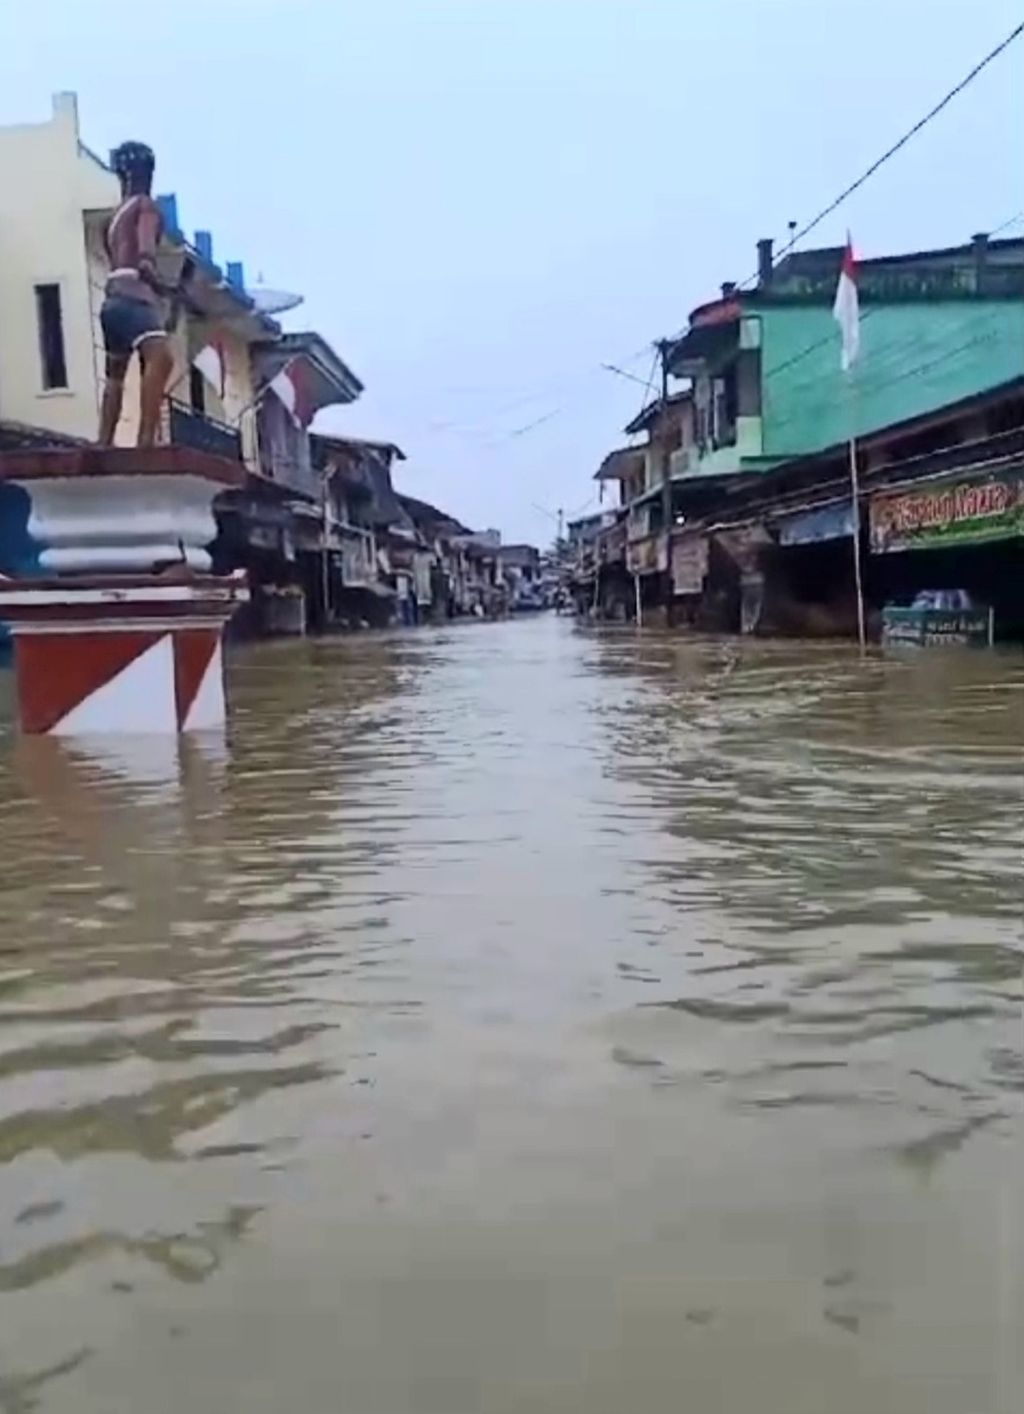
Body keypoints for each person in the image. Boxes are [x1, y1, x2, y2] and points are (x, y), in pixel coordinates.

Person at [98, 141, 175, 447]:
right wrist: (166, 288)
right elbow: (144, 259)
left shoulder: (112, 219)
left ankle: (105, 440)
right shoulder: (145, 207)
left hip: (111, 301)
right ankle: (146, 439)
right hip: (136, 298)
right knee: (162, 358)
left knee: (115, 374)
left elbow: (116, 260)